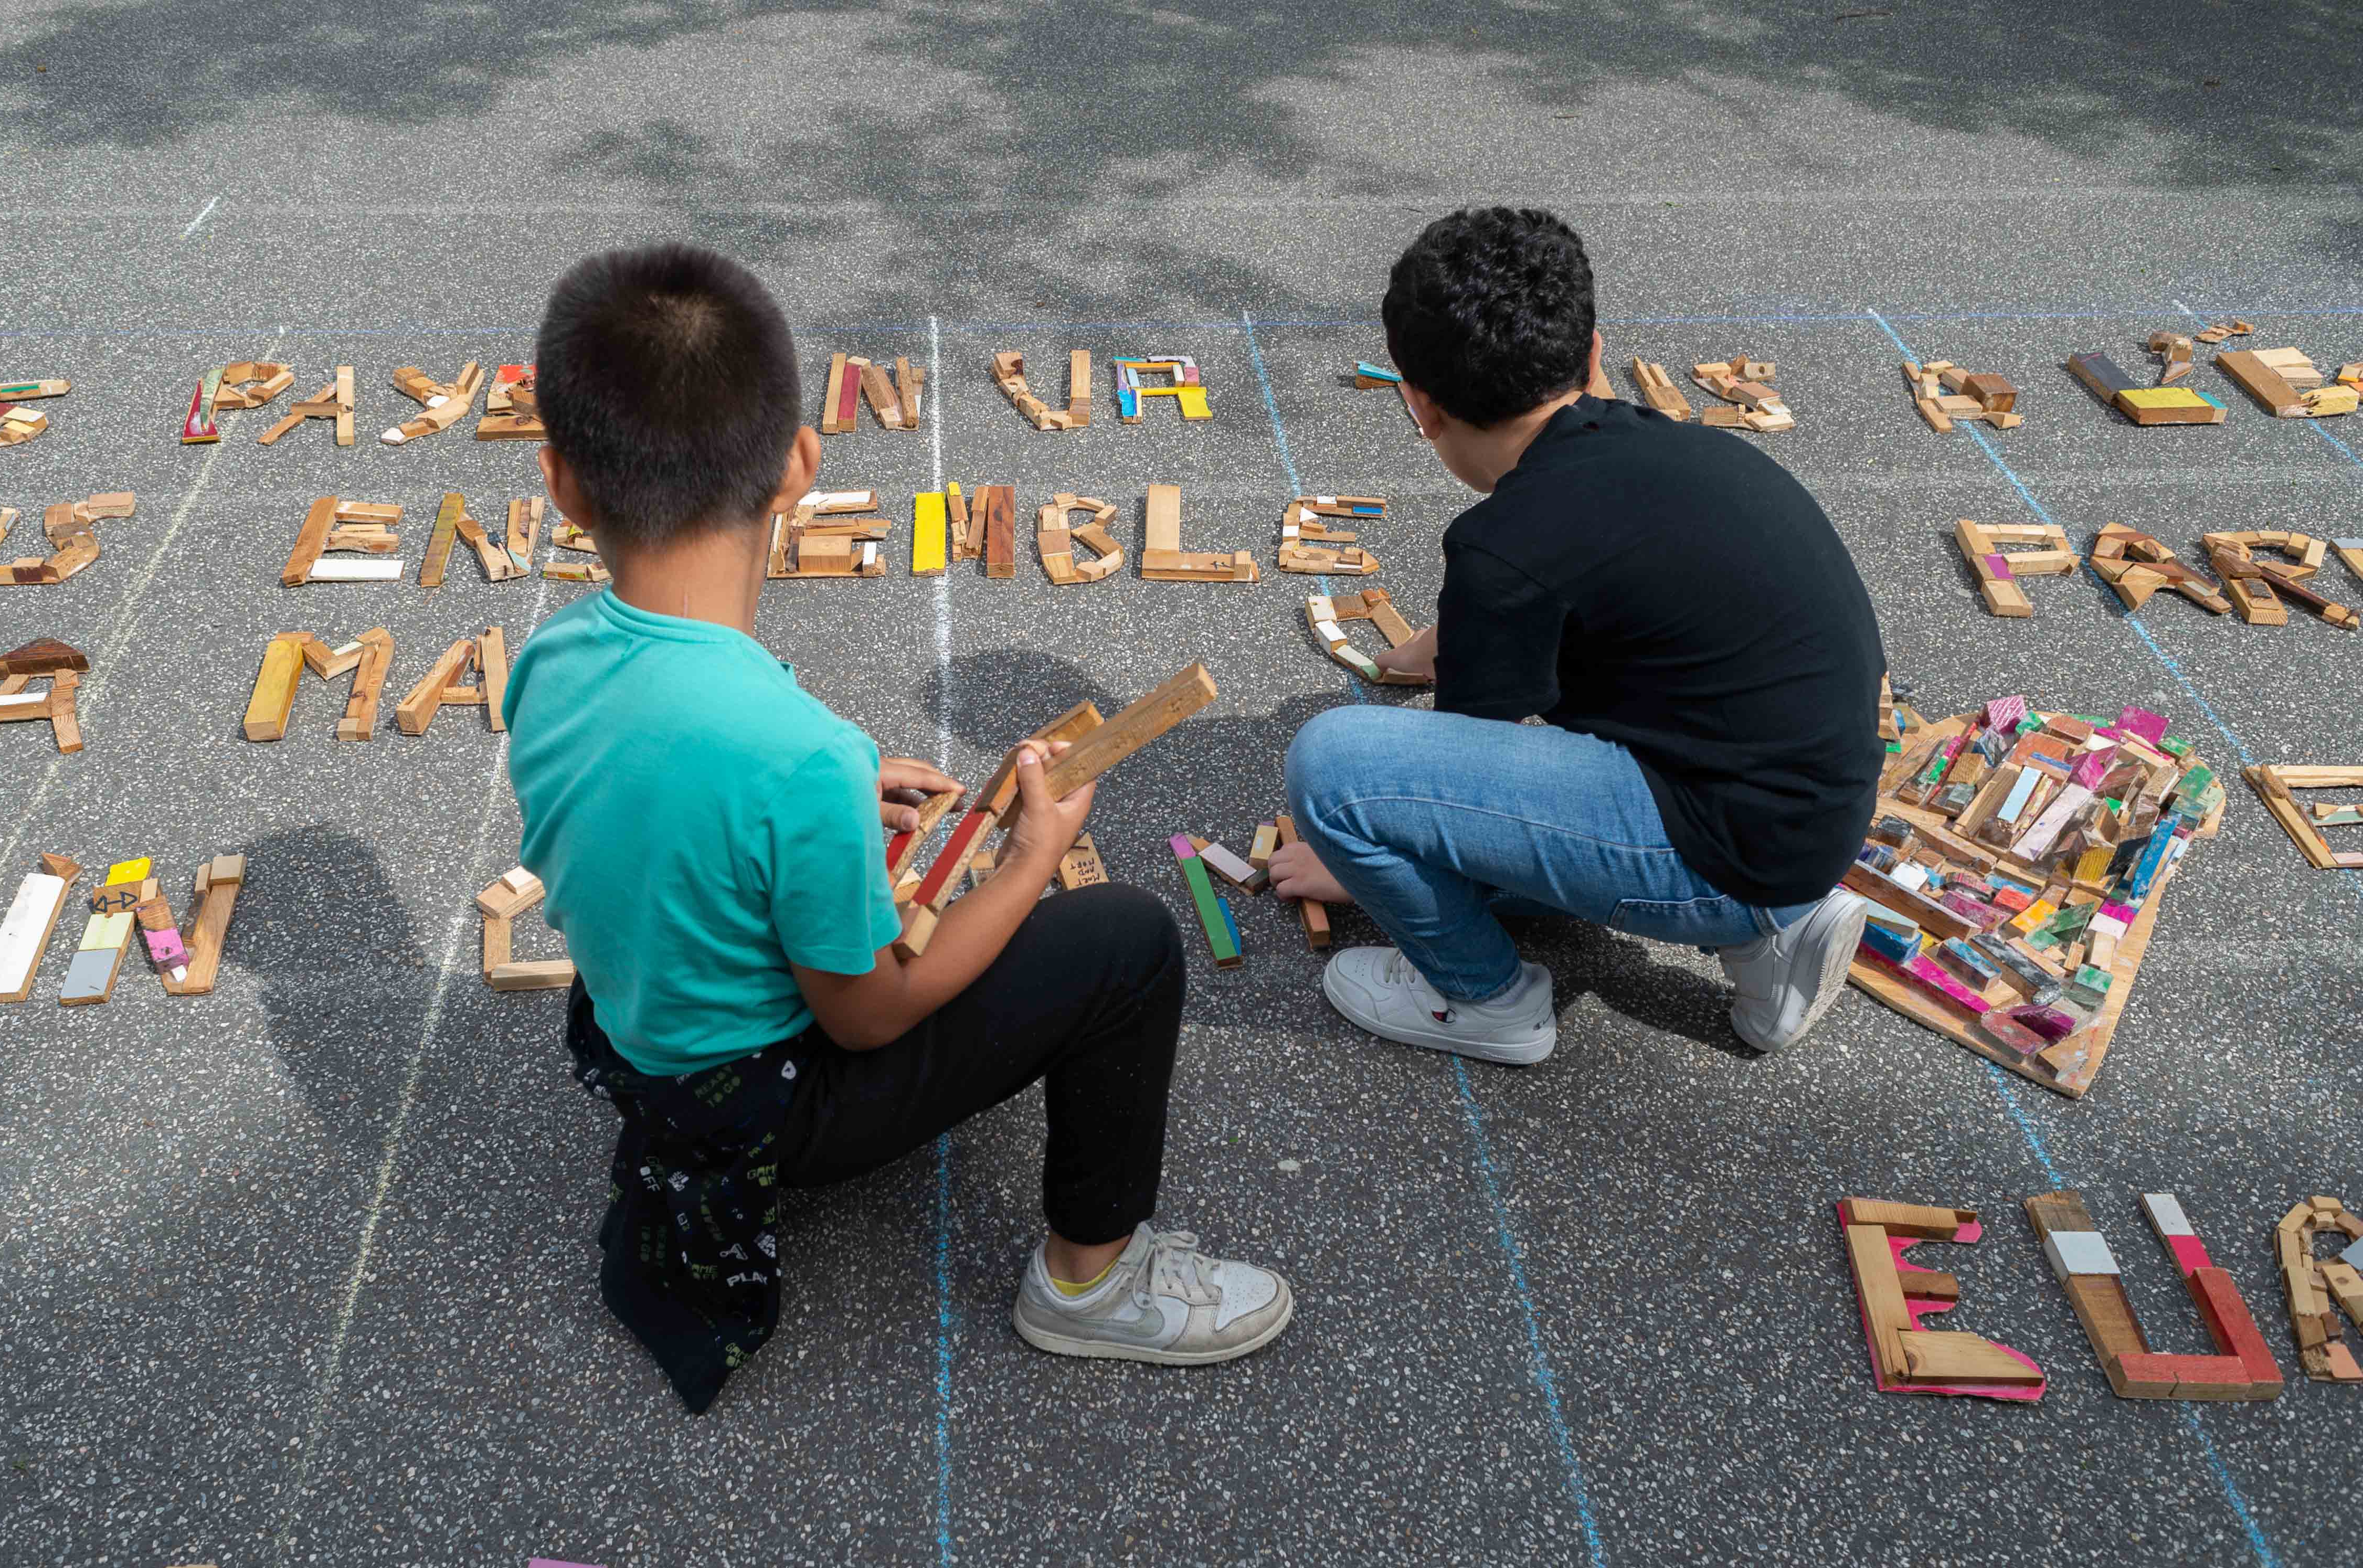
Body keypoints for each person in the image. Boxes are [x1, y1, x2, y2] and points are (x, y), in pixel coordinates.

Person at [502, 244, 1292, 1412]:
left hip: (637, 1044)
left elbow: (652, 791)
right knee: (1125, 941)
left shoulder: (551, 658)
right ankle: (1091, 1280)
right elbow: (868, 1015)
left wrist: (833, 802)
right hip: (769, 1102)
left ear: (562, 483)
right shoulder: (797, 755)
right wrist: (1026, 859)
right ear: (799, 464)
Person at [1269, 207, 1886, 1065]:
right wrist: (1436, 645)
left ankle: (1486, 1000)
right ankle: (1775, 934)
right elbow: (1581, 578)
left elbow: (1464, 779)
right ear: (1593, 354)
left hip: (1726, 855)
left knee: (1335, 771)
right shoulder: (1679, 453)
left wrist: (1354, 862)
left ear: (1420, 405)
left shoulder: (1502, 547)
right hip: (1814, 821)